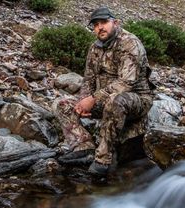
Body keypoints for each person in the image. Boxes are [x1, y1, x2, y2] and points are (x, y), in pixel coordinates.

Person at [53, 7, 153, 176]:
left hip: (136, 100)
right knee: (61, 104)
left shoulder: (130, 44)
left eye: (104, 22)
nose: (100, 27)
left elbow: (126, 82)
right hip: (104, 99)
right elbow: (88, 79)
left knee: (117, 101)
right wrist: (83, 101)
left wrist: (93, 99)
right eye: (96, 25)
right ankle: (84, 148)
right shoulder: (95, 48)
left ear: (115, 22)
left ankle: (103, 159)